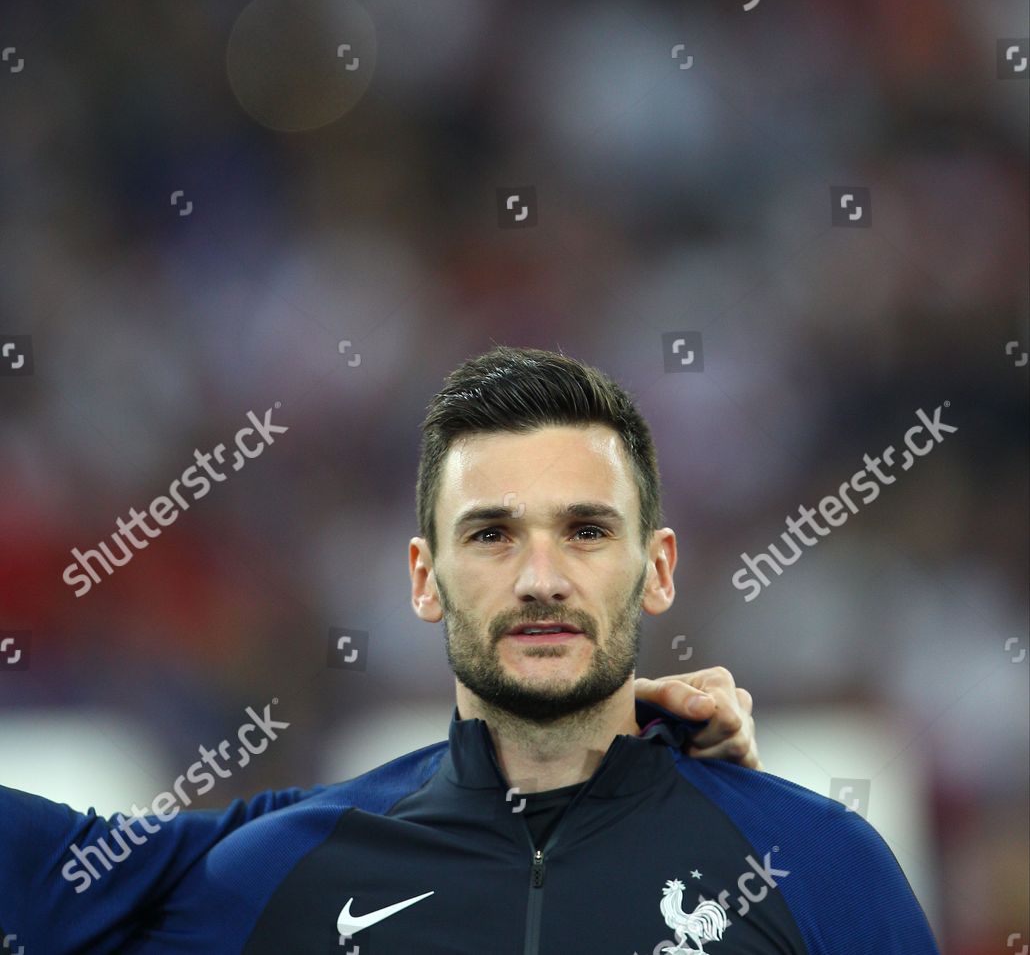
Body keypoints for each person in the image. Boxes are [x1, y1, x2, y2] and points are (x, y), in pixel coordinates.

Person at [0, 346, 939, 953]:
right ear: (423, 577)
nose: (540, 578)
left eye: (585, 531)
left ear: (656, 569)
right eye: (491, 535)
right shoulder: (283, 867)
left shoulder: (818, 864)